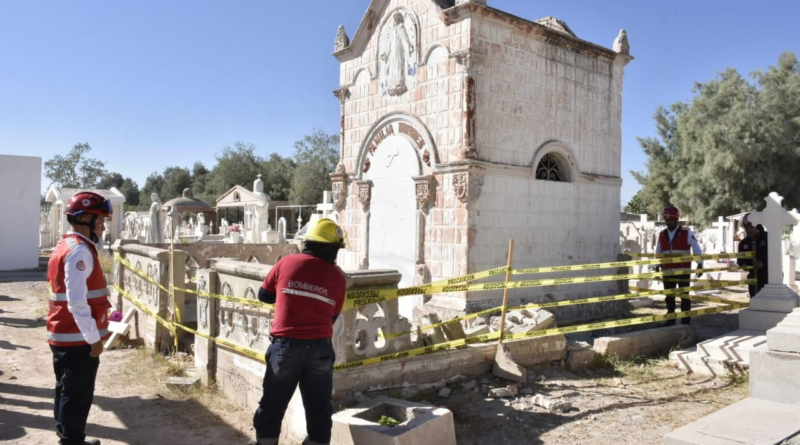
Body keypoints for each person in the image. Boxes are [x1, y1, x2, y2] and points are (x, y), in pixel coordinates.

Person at [252, 218, 348, 445]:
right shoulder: (338, 278)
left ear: (308, 243)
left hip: (285, 348)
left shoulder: (287, 263)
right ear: (334, 249)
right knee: (319, 410)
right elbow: (332, 316)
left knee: (272, 406)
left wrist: (292, 294)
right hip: (320, 350)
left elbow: (263, 295)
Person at [46, 191, 114, 445]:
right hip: (76, 337)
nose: (103, 227)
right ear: (85, 219)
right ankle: (72, 441)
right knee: (77, 393)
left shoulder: (68, 245)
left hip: (63, 332)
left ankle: (67, 435)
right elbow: (77, 302)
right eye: (100, 221)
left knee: (65, 388)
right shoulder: (79, 252)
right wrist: (93, 339)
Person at [656, 205, 703, 326]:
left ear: (676, 219)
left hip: (683, 271)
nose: (669, 222)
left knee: (684, 296)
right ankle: (671, 319)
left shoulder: (686, 232)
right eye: (667, 220)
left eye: (671, 220)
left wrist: (700, 264)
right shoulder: (662, 234)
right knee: (669, 297)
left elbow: (696, 248)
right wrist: (657, 265)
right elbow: (659, 251)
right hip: (667, 272)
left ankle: (685, 320)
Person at [737, 214, 769, 297]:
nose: (749, 230)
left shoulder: (767, 237)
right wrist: (745, 265)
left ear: (757, 226)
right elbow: (740, 260)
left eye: (751, 227)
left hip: (768, 277)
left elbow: (774, 254)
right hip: (753, 278)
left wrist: (762, 262)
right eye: (746, 228)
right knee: (754, 302)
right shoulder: (743, 243)